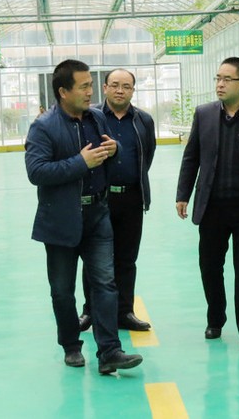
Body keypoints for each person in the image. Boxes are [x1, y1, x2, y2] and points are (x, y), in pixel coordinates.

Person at [25, 59, 143, 374]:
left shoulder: (96, 118)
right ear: (63, 91)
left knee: (105, 283)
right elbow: (36, 172)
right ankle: (71, 346)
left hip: (97, 215)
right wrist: (81, 162)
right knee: (62, 290)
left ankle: (110, 351)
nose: (91, 92)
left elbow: (106, 156)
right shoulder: (43, 126)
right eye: (84, 86)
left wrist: (114, 150)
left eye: (91, 85)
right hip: (61, 219)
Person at [176, 57, 239, 351]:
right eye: (218, 78)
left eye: (227, 79)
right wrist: (183, 194)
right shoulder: (204, 114)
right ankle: (215, 318)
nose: (220, 84)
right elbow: (191, 157)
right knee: (210, 266)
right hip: (211, 206)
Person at [78, 69, 156, 332]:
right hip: (100, 198)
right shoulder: (91, 117)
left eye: (126, 86)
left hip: (132, 198)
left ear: (133, 90)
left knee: (126, 258)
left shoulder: (144, 120)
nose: (120, 90)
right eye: (114, 85)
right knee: (94, 258)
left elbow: (147, 155)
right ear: (105, 88)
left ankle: (124, 312)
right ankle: (89, 311)